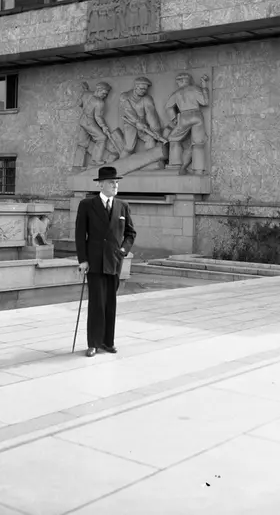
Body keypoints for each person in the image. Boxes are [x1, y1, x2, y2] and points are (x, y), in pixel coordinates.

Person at [75, 166, 137, 357]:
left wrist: (123, 250)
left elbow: (130, 233)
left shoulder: (122, 206)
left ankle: (107, 342)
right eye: (111, 182)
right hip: (94, 261)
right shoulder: (87, 205)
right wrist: (83, 260)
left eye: (116, 182)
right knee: (97, 303)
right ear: (100, 184)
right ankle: (93, 343)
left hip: (114, 261)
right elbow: (80, 234)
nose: (115, 185)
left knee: (110, 302)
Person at [164, 72, 209, 175]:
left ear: (181, 82)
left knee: (173, 138)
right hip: (197, 115)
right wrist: (204, 86)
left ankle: (176, 164)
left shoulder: (177, 93)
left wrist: (174, 118)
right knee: (198, 143)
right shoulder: (195, 88)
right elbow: (205, 102)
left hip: (184, 117)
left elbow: (168, 107)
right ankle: (198, 170)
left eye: (178, 81)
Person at [119, 77, 164, 158]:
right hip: (130, 123)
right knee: (129, 147)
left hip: (143, 125)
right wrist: (137, 122)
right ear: (136, 87)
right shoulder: (124, 96)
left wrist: (156, 131)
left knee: (150, 139)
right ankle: (120, 163)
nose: (144, 91)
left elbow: (151, 115)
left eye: (145, 89)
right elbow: (128, 110)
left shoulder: (147, 99)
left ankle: (149, 161)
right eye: (142, 89)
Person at [77, 81, 112, 166]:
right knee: (102, 138)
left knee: (82, 142)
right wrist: (104, 127)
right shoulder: (100, 102)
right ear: (99, 90)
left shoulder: (86, 94)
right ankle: (96, 159)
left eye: (106, 94)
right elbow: (98, 117)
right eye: (104, 93)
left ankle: (78, 164)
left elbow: (79, 104)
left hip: (82, 120)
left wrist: (85, 93)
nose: (105, 96)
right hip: (89, 122)